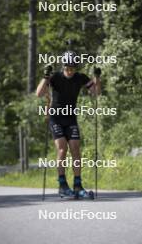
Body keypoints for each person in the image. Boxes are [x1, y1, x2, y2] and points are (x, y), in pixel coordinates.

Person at [36, 51, 101, 197]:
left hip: (70, 118)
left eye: (73, 68)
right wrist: (45, 76)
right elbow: (39, 93)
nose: (70, 71)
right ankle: (62, 185)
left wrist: (97, 78)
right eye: (67, 68)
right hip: (56, 117)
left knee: (76, 149)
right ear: (63, 66)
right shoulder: (56, 77)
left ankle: (78, 185)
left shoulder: (80, 77)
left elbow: (96, 92)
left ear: (76, 67)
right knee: (62, 149)